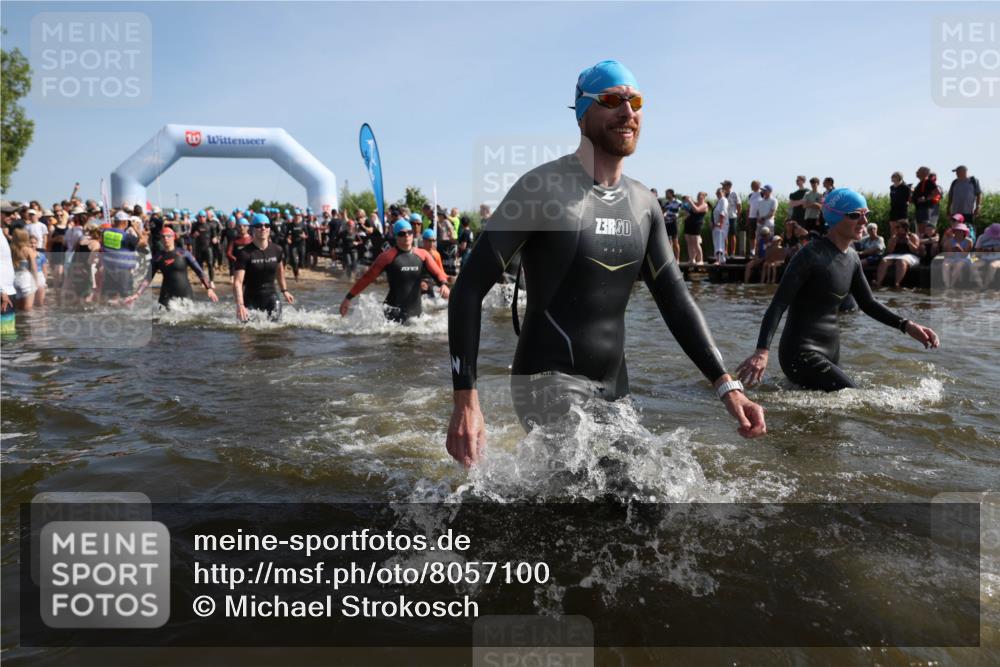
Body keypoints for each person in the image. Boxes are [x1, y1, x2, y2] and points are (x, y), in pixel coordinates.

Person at [446, 60, 765, 467]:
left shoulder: (644, 203)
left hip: (615, 386)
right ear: (582, 113)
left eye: (635, 102)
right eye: (612, 100)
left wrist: (727, 385)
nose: (627, 112)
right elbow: (469, 289)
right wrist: (466, 401)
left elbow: (675, 299)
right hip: (546, 380)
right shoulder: (540, 189)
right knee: (620, 484)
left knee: (653, 493)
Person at [737, 188, 939, 392]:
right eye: (854, 215)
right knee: (856, 397)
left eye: (865, 214)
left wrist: (907, 325)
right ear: (834, 217)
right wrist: (762, 351)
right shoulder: (809, 255)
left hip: (830, 352)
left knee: (831, 419)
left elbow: (868, 304)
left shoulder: (852, 258)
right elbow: (778, 304)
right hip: (800, 353)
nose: (863, 221)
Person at [339, 219, 451, 323]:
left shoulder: (422, 254)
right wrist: (348, 298)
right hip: (392, 315)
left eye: (409, 232)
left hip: (416, 315)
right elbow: (367, 278)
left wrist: (444, 284)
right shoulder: (387, 257)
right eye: (402, 234)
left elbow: (438, 273)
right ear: (396, 236)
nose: (407, 236)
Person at [128, 227, 218, 308]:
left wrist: (208, 288)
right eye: (163, 236)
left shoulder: (184, 253)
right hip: (166, 295)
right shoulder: (158, 257)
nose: (166, 238)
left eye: (168, 236)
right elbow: (148, 278)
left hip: (185, 293)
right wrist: (137, 294)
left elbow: (199, 271)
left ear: (174, 237)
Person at [233, 213, 294, 322]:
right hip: (251, 298)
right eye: (259, 226)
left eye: (266, 225)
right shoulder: (244, 253)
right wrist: (240, 304)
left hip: (271, 296)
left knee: (276, 330)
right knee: (248, 333)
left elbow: (280, 271)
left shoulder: (277, 250)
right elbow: (238, 282)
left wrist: (284, 290)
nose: (263, 228)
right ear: (252, 229)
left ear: (270, 229)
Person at [100, 210, 146, 303]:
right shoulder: (126, 236)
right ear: (125, 222)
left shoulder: (105, 233)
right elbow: (143, 242)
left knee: (110, 298)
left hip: (108, 270)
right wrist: (135, 227)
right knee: (126, 298)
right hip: (123, 272)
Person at [875, 220, 920, 288]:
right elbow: (889, 251)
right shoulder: (894, 237)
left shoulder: (913, 236)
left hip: (910, 255)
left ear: (904, 228)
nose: (896, 229)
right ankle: (878, 282)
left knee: (901, 261)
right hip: (895, 254)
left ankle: (897, 283)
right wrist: (894, 242)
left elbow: (916, 250)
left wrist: (909, 242)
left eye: (898, 227)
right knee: (884, 261)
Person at [9, 228, 40, 312]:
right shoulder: (28, 250)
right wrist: (36, 281)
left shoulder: (11, 250)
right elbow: (33, 268)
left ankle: (18, 324)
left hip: (14, 280)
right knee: (27, 310)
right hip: (26, 279)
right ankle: (26, 325)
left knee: (18, 309)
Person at [940, 218, 974, 290]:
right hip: (952, 258)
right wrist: (952, 250)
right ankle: (947, 285)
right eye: (957, 231)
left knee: (958, 264)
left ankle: (951, 285)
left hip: (964, 259)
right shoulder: (949, 241)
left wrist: (959, 249)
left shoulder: (969, 241)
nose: (958, 233)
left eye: (961, 231)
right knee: (945, 264)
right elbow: (948, 255)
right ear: (954, 232)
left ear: (964, 232)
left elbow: (965, 255)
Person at [682, 192, 708, 264]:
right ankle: (691, 259)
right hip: (688, 224)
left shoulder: (705, 205)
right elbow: (689, 211)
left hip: (696, 225)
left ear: (703, 197)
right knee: (689, 242)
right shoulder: (694, 203)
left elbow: (697, 210)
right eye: (698, 196)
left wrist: (690, 201)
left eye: (700, 196)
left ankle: (700, 260)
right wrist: (688, 201)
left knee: (696, 243)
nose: (699, 197)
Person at [420, 228, 446, 295]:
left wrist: (447, 280)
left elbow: (441, 272)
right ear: (424, 240)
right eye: (429, 241)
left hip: (432, 281)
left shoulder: (436, 255)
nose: (432, 243)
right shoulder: (418, 253)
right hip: (421, 281)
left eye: (434, 241)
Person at [974, 223, 1000, 288]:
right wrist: (984, 251)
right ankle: (981, 285)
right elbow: (977, 252)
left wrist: (994, 250)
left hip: (998, 259)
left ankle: (985, 286)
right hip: (983, 259)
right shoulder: (981, 237)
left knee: (992, 266)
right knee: (972, 266)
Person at [0, 230, 15, 339]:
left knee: (8, 332)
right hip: (4, 292)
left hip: (7, 290)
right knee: (7, 334)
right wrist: (1, 290)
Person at [661, 189, 682, 260]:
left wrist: (677, 216)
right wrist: (663, 214)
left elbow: (682, 212)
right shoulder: (666, 203)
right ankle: (670, 259)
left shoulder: (678, 202)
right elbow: (662, 212)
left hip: (674, 223)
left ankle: (677, 259)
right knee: (668, 243)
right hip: (666, 223)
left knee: (675, 242)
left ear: (671, 193)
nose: (666, 195)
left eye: (667, 193)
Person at [722, 180, 741, 256]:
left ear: (729, 186)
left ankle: (732, 252)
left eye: (724, 185)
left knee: (732, 234)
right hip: (724, 217)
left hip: (732, 216)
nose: (723, 187)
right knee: (724, 235)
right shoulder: (722, 194)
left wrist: (738, 216)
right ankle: (725, 251)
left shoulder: (734, 193)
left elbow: (739, 205)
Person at [712, 187, 729, 264]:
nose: (717, 194)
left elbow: (723, 211)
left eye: (719, 193)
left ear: (723, 192)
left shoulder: (723, 200)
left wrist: (720, 223)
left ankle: (718, 260)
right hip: (716, 225)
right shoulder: (718, 201)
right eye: (716, 193)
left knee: (719, 241)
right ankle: (722, 260)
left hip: (721, 225)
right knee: (717, 241)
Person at [746, 180, 762, 256]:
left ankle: (758, 250)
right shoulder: (750, 195)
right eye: (752, 185)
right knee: (752, 234)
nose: (752, 186)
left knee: (759, 234)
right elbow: (748, 207)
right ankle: (752, 250)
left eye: (754, 185)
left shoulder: (762, 193)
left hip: (760, 217)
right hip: (751, 217)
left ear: (759, 185)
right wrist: (747, 218)